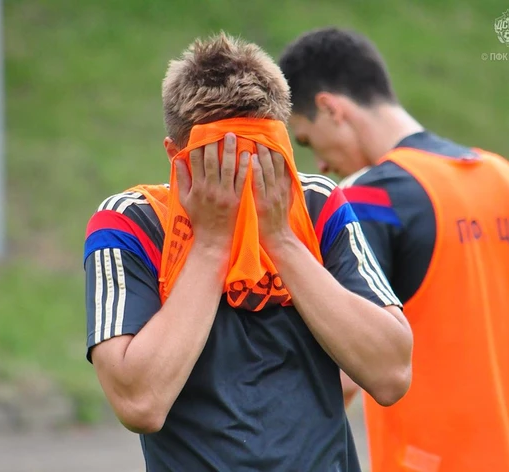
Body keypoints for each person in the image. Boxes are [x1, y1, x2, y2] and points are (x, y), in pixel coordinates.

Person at [83, 32, 412, 472]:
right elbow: (140, 403)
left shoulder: (316, 205)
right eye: (216, 160)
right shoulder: (132, 222)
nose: (238, 176)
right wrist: (210, 245)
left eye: (260, 156)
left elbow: (391, 374)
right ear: (175, 156)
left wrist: (282, 239)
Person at [279, 27, 509, 472]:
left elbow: (343, 373)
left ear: (331, 108)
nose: (319, 164)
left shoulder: (369, 197)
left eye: (306, 140)